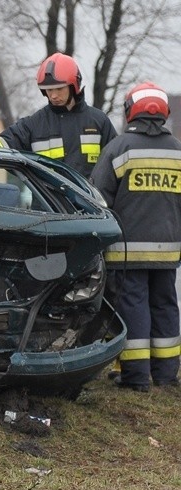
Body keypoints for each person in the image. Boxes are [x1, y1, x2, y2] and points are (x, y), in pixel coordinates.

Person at [90, 81, 181, 392]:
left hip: (126, 252)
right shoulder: (178, 152)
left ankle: (137, 378)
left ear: (131, 112)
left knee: (134, 307)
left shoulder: (118, 149)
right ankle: (167, 377)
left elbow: (98, 198)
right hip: (168, 252)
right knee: (166, 305)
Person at [0, 52, 117, 179]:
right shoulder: (34, 124)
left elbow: (115, 166)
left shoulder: (99, 122)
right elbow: (0, 144)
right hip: (47, 200)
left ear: (74, 86)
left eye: (59, 89)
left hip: (88, 200)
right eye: (49, 90)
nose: (53, 95)